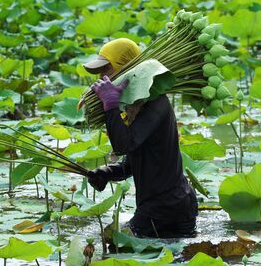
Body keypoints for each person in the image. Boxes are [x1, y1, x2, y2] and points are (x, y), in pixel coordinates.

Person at [83, 38, 197, 238]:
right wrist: (107, 172)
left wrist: (110, 105)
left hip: (164, 207)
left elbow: (124, 144)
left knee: (114, 247)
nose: (101, 78)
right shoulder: (136, 106)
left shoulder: (155, 103)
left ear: (124, 69)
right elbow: (137, 159)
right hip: (170, 205)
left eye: (106, 70)